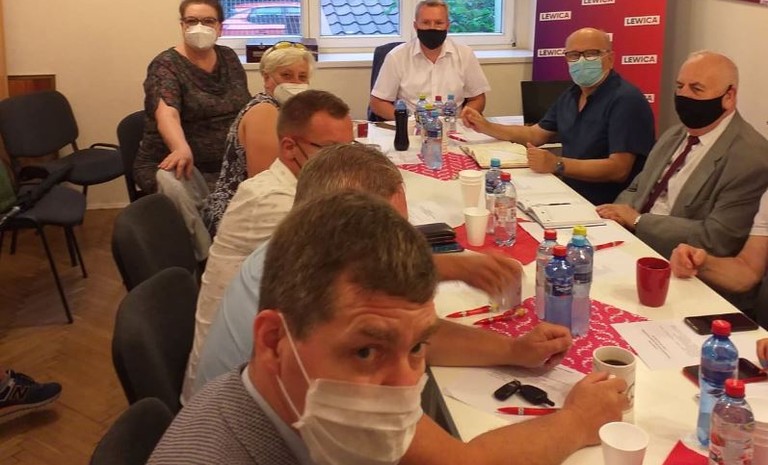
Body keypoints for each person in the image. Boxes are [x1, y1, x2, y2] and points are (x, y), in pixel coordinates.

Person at [149, 191, 627, 465]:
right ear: (273, 342)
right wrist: (576, 423)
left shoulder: (299, 404)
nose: (405, 390)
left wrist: (513, 350)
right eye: (366, 352)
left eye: (416, 347)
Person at [192, 144, 550, 397]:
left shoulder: (297, 252)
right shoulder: (312, 305)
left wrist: (513, 350)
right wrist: (574, 418)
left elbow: (404, 335)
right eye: (383, 238)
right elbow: (456, 456)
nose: (395, 249)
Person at [184, 90, 355, 398]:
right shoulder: (273, 202)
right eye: (331, 151)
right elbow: (358, 268)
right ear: (289, 148)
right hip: (226, 396)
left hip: (252, 367)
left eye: (349, 150)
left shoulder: (293, 187)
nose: (344, 163)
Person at [597, 51, 768, 261]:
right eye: (680, 86)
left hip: (681, 264)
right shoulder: (674, 134)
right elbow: (637, 188)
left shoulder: (750, 158)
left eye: (696, 89)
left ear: (729, 97)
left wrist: (639, 222)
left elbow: (717, 238)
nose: (683, 96)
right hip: (629, 246)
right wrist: (617, 216)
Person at [461, 28, 655, 206]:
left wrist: (557, 164)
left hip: (607, 204)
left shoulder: (626, 100)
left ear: (610, 58)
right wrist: (485, 126)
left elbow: (618, 169)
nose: (581, 61)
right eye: (574, 55)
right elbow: (535, 135)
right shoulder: (572, 94)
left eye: (591, 54)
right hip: (569, 191)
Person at [133, 0, 251, 260]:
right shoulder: (165, 65)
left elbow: (244, 107)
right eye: (191, 21)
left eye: (208, 21)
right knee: (173, 183)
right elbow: (167, 112)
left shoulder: (229, 58)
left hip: (228, 163)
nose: (199, 27)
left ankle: (247, 254)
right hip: (177, 163)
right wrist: (180, 147)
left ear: (220, 27)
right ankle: (204, 258)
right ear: (182, 25)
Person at [202, 43, 315, 235]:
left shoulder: (285, 110)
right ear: (266, 77)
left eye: (302, 77)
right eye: (286, 75)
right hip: (241, 217)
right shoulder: (265, 112)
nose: (296, 82)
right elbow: (265, 185)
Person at [369, 0, 490, 120]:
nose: (432, 28)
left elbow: (477, 99)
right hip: (411, 126)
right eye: (426, 23)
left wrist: (463, 119)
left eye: (438, 23)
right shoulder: (397, 56)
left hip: (453, 126)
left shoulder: (465, 54)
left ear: (447, 26)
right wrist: (405, 121)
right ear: (415, 26)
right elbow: (378, 103)